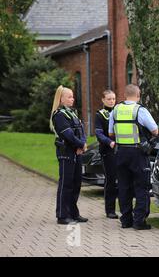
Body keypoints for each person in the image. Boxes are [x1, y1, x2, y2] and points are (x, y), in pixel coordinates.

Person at [109, 84, 158, 230]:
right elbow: (155, 130)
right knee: (141, 187)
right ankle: (139, 221)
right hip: (137, 153)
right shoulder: (140, 110)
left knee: (124, 187)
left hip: (120, 153)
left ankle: (126, 220)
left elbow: (111, 134)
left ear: (125, 95)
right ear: (138, 95)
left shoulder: (116, 110)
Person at [50, 85, 88, 225]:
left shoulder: (72, 113)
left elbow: (81, 130)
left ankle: (73, 213)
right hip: (66, 153)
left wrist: (82, 144)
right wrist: (80, 144)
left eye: (73, 96)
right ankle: (62, 215)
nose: (73, 99)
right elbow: (68, 135)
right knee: (66, 184)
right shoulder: (59, 115)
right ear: (61, 99)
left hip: (77, 152)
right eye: (69, 97)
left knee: (76, 183)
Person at [95, 90, 118, 219]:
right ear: (103, 100)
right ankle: (110, 210)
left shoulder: (118, 112)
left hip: (120, 150)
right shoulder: (100, 115)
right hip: (108, 151)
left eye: (113, 99)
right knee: (111, 180)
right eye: (109, 99)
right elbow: (98, 133)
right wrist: (109, 142)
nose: (111, 101)